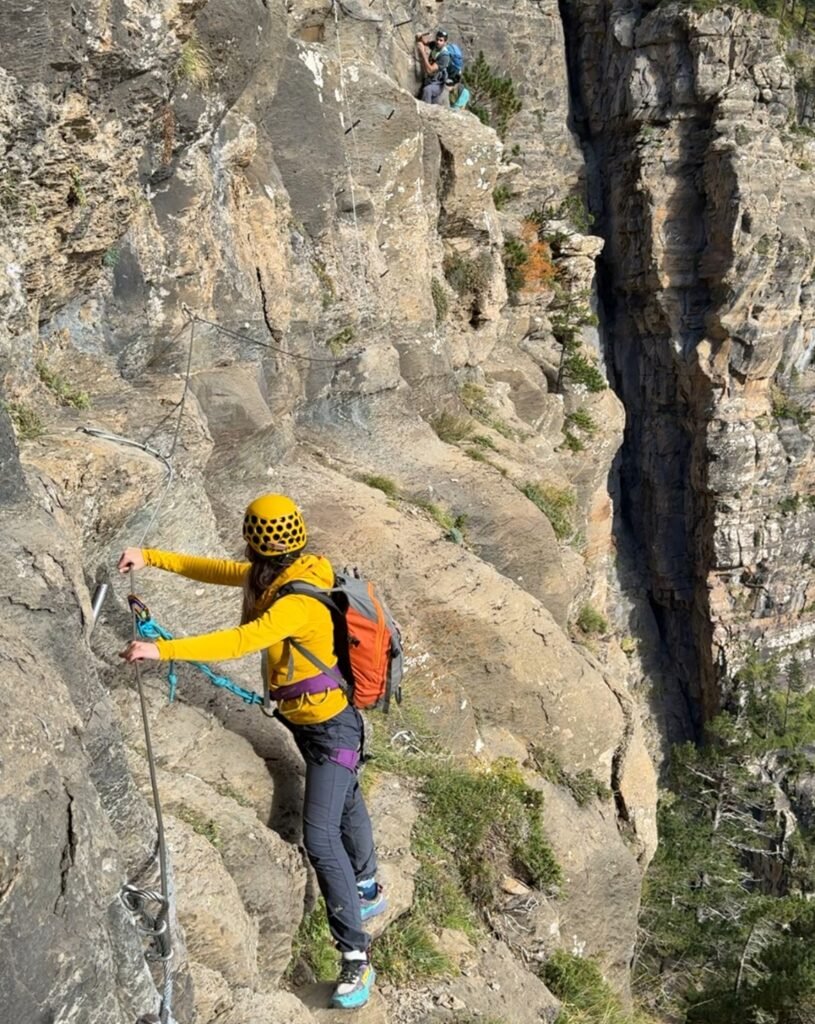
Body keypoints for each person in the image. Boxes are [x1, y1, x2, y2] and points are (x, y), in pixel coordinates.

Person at [118, 494, 387, 1010]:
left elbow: (241, 641)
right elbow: (216, 569)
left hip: (332, 729)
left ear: (251, 535)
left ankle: (356, 954)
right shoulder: (274, 575)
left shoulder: (296, 601)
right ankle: (369, 887)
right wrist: (149, 556)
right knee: (345, 796)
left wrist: (163, 649)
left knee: (320, 834)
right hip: (318, 723)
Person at [416, 27, 452, 105]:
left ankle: (426, 112)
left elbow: (430, 70)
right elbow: (423, 42)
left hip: (438, 83)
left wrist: (423, 52)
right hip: (430, 78)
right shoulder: (435, 45)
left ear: (445, 42)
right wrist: (419, 37)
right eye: (437, 39)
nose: (438, 42)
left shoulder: (444, 56)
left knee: (427, 90)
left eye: (441, 40)